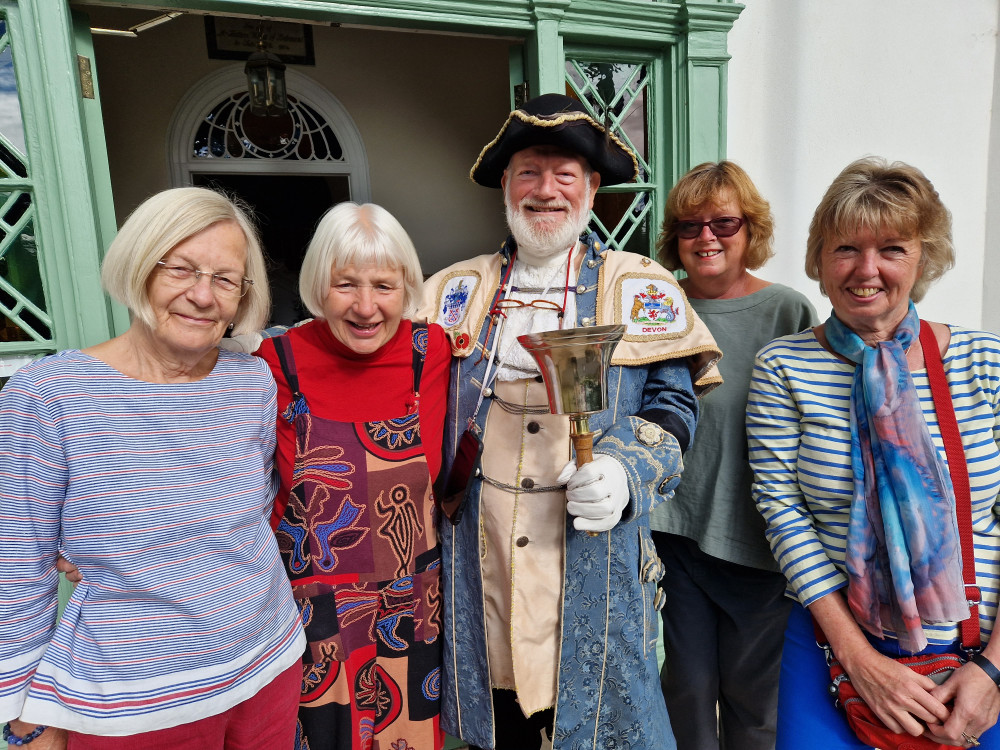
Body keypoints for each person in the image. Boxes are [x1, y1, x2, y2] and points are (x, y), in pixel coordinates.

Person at [417, 93, 723, 750]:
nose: (546, 191)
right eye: (530, 171)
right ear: (505, 184)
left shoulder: (638, 283)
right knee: (497, 723)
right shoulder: (452, 290)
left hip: (594, 559)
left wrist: (623, 467)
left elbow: (674, 410)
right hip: (482, 560)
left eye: (565, 176)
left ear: (590, 189)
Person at [0, 187, 305, 749]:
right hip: (134, 701)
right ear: (140, 269)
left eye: (225, 279)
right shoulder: (48, 394)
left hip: (269, 663)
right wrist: (22, 713)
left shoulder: (250, 381)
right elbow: (18, 565)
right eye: (181, 269)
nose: (202, 295)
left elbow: (244, 515)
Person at [746, 157, 1000, 749]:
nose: (867, 270)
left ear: (924, 257)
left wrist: (991, 670)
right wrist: (859, 660)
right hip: (833, 648)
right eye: (845, 250)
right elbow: (784, 515)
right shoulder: (784, 367)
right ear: (819, 259)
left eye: (892, 248)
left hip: (980, 658)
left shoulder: (984, 363)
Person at [254, 202, 451, 750]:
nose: (366, 307)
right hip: (313, 613)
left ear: (407, 286)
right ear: (319, 284)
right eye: (346, 284)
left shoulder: (429, 352)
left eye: (384, 286)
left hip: (412, 609)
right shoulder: (275, 359)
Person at [651, 161, 817, 750]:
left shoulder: (787, 312)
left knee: (756, 707)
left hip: (760, 543)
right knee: (687, 693)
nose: (707, 238)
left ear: (751, 231)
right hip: (675, 535)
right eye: (691, 226)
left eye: (725, 222)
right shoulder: (657, 304)